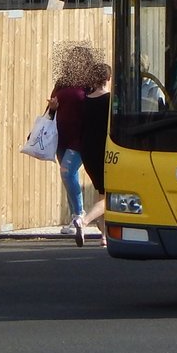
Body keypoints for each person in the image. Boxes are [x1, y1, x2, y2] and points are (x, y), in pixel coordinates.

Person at [46, 41, 103, 239]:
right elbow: (50, 108)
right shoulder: (62, 82)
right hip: (62, 135)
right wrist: (52, 107)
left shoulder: (89, 84)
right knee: (68, 176)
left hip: (81, 137)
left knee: (67, 171)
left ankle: (79, 214)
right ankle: (74, 217)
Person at [75, 62, 112, 247]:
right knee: (109, 196)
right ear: (108, 79)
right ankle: (84, 221)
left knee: (101, 192)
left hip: (87, 150)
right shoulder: (110, 100)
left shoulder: (86, 101)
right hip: (104, 150)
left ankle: (104, 237)